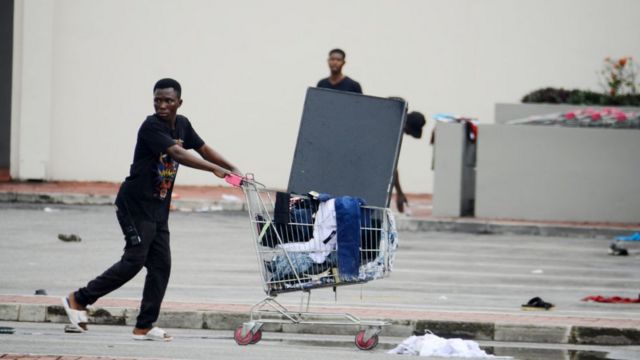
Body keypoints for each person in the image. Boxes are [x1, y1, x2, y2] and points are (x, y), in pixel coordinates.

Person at [61, 78, 239, 341]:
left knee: (161, 266)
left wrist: (232, 169)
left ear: (179, 102)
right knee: (134, 260)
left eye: (168, 100)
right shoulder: (151, 126)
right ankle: (78, 299)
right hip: (135, 204)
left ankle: (144, 326)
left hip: (158, 207)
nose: (162, 105)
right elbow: (178, 154)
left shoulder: (182, 124)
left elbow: (203, 149)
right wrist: (212, 169)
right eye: (157, 100)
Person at [393, 107, 426, 213]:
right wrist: (399, 193)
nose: (406, 134)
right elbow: (391, 167)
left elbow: (392, 166)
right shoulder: (391, 130)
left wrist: (400, 193)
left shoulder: (396, 125)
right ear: (406, 124)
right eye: (408, 131)